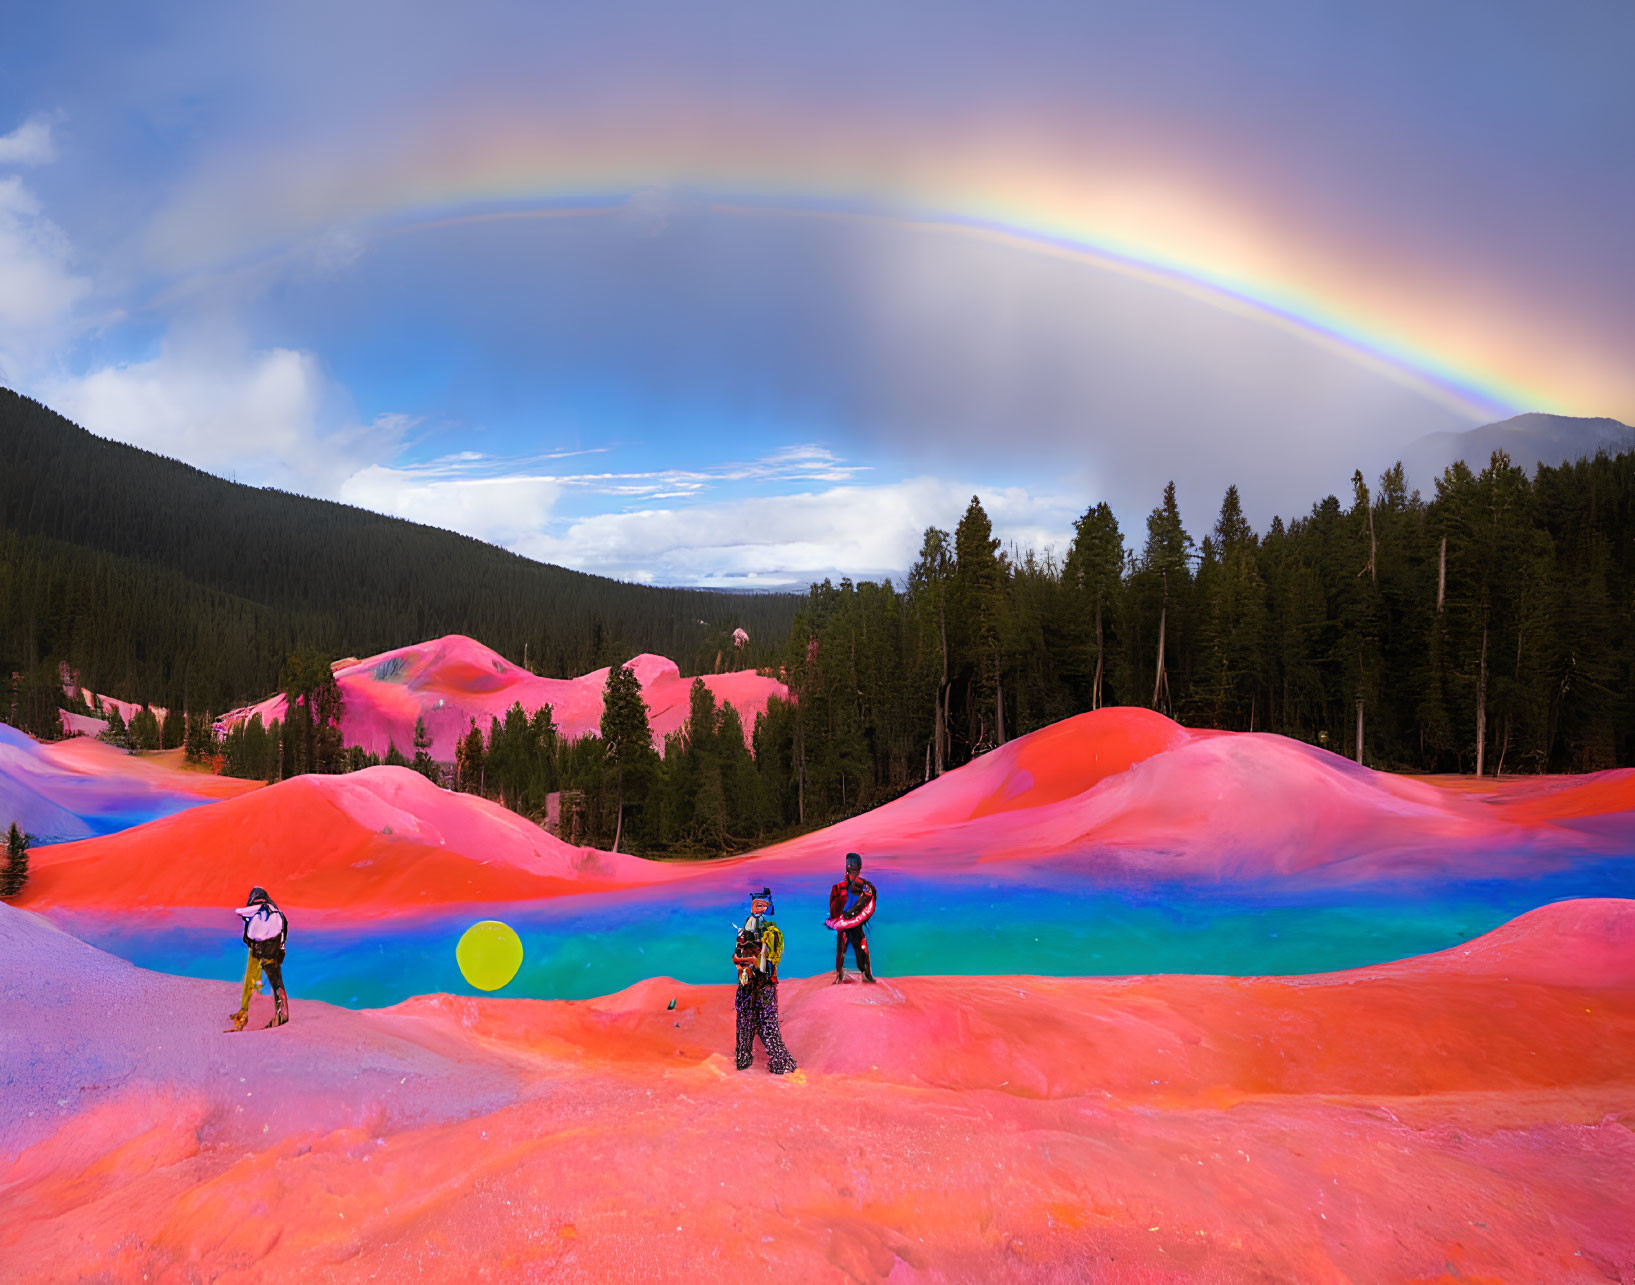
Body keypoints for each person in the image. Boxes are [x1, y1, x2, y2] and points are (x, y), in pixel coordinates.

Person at [732, 887, 796, 1074]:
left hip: (760, 985)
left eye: (763, 903)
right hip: (750, 985)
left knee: (762, 1025)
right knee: (751, 1025)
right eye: (759, 903)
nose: (761, 907)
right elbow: (739, 957)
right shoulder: (750, 931)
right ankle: (748, 1058)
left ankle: (777, 1061)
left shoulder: (769, 932)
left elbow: (767, 959)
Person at [227, 886, 289, 1031]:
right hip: (269, 948)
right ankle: (278, 1015)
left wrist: (257, 908)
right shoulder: (278, 912)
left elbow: (239, 912)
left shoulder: (260, 910)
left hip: (260, 948)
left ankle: (250, 1013)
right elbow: (283, 934)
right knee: (274, 982)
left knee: (258, 981)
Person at [827, 852, 877, 984]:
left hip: (855, 922)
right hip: (844, 922)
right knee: (842, 949)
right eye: (854, 869)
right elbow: (833, 907)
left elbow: (871, 898)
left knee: (862, 948)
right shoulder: (838, 887)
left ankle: (867, 975)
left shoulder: (863, 885)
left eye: (857, 869)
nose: (856, 872)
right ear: (848, 868)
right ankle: (839, 976)